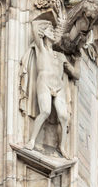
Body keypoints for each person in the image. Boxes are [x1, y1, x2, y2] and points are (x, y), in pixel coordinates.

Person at [25, 20, 80, 158]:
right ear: (44, 34)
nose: (53, 33)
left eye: (53, 30)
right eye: (50, 31)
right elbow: (34, 25)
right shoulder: (41, 48)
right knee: (45, 111)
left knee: (64, 116)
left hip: (59, 86)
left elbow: (76, 75)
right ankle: (31, 140)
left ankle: (62, 146)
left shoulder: (60, 56)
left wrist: (78, 59)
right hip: (44, 82)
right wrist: (52, 22)